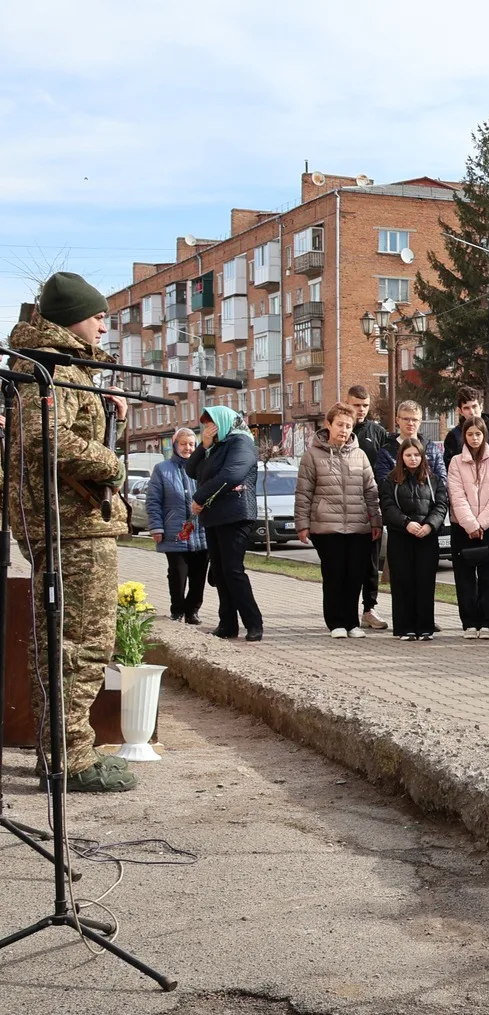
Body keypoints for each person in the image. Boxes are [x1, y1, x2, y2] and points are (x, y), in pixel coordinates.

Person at [11, 273, 137, 791]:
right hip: (71, 527)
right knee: (78, 643)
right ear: (71, 319)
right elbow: (44, 436)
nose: (105, 326)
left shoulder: (66, 367)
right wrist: (111, 459)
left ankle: (60, 751)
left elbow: (71, 434)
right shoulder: (51, 365)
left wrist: (114, 420)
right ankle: (70, 759)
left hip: (74, 521)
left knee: (69, 640)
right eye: (98, 316)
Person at [296, 403, 382, 637]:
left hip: (358, 527)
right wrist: (302, 524)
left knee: (355, 575)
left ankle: (352, 623)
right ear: (329, 425)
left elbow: (371, 491)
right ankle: (336, 623)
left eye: (348, 426)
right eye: (340, 425)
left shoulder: (360, 454)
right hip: (327, 526)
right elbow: (304, 492)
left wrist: (376, 521)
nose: (344, 430)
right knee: (334, 575)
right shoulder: (312, 455)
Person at [188, 404, 263, 644]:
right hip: (214, 516)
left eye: (211, 423)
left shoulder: (241, 443)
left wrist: (199, 498)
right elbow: (191, 470)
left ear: (224, 421)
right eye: (205, 424)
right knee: (220, 571)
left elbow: (232, 475)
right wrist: (204, 445)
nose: (208, 428)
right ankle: (227, 624)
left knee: (232, 569)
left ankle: (254, 623)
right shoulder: (217, 447)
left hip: (236, 514)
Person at [447, 415, 489, 638]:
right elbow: (456, 495)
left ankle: (486, 622)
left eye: (478, 434)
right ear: (464, 436)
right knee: (464, 578)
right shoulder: (455, 462)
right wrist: (471, 524)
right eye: (470, 434)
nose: (474, 438)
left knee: (488, 577)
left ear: (484, 436)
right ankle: (469, 623)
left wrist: (482, 523)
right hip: (462, 527)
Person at [381, 437, 447, 640]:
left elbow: (441, 505)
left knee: (425, 582)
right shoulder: (390, 480)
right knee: (403, 583)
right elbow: (388, 506)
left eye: (416, 455)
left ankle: (425, 627)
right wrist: (406, 523)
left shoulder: (433, 480)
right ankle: (404, 628)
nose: (412, 459)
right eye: (408, 455)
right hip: (401, 538)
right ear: (401, 457)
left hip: (426, 538)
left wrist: (430, 525)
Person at [345, 384, 395, 630]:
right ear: (347, 403)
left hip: (371, 506)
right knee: (346, 563)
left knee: (370, 562)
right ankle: (344, 610)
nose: (361, 410)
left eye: (365, 406)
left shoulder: (377, 432)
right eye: (356, 405)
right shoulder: (337, 430)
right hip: (343, 507)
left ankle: (369, 608)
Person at [146, 427, 207, 625]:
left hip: (202, 532)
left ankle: (193, 611)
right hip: (175, 532)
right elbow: (153, 501)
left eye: (191, 444)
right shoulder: (162, 470)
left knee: (198, 577)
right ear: (175, 445)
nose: (187, 448)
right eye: (183, 444)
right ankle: (177, 609)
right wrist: (156, 527)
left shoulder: (203, 467)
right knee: (178, 573)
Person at [441, 385, 489, 464]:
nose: (472, 412)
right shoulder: (453, 435)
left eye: (474, 406)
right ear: (460, 411)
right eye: (466, 408)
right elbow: (451, 467)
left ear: (481, 406)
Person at [392, 400, 446, 480]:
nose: (410, 423)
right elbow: (385, 483)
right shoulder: (387, 450)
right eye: (406, 419)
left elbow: (442, 480)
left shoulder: (432, 449)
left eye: (414, 420)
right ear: (397, 420)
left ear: (420, 421)